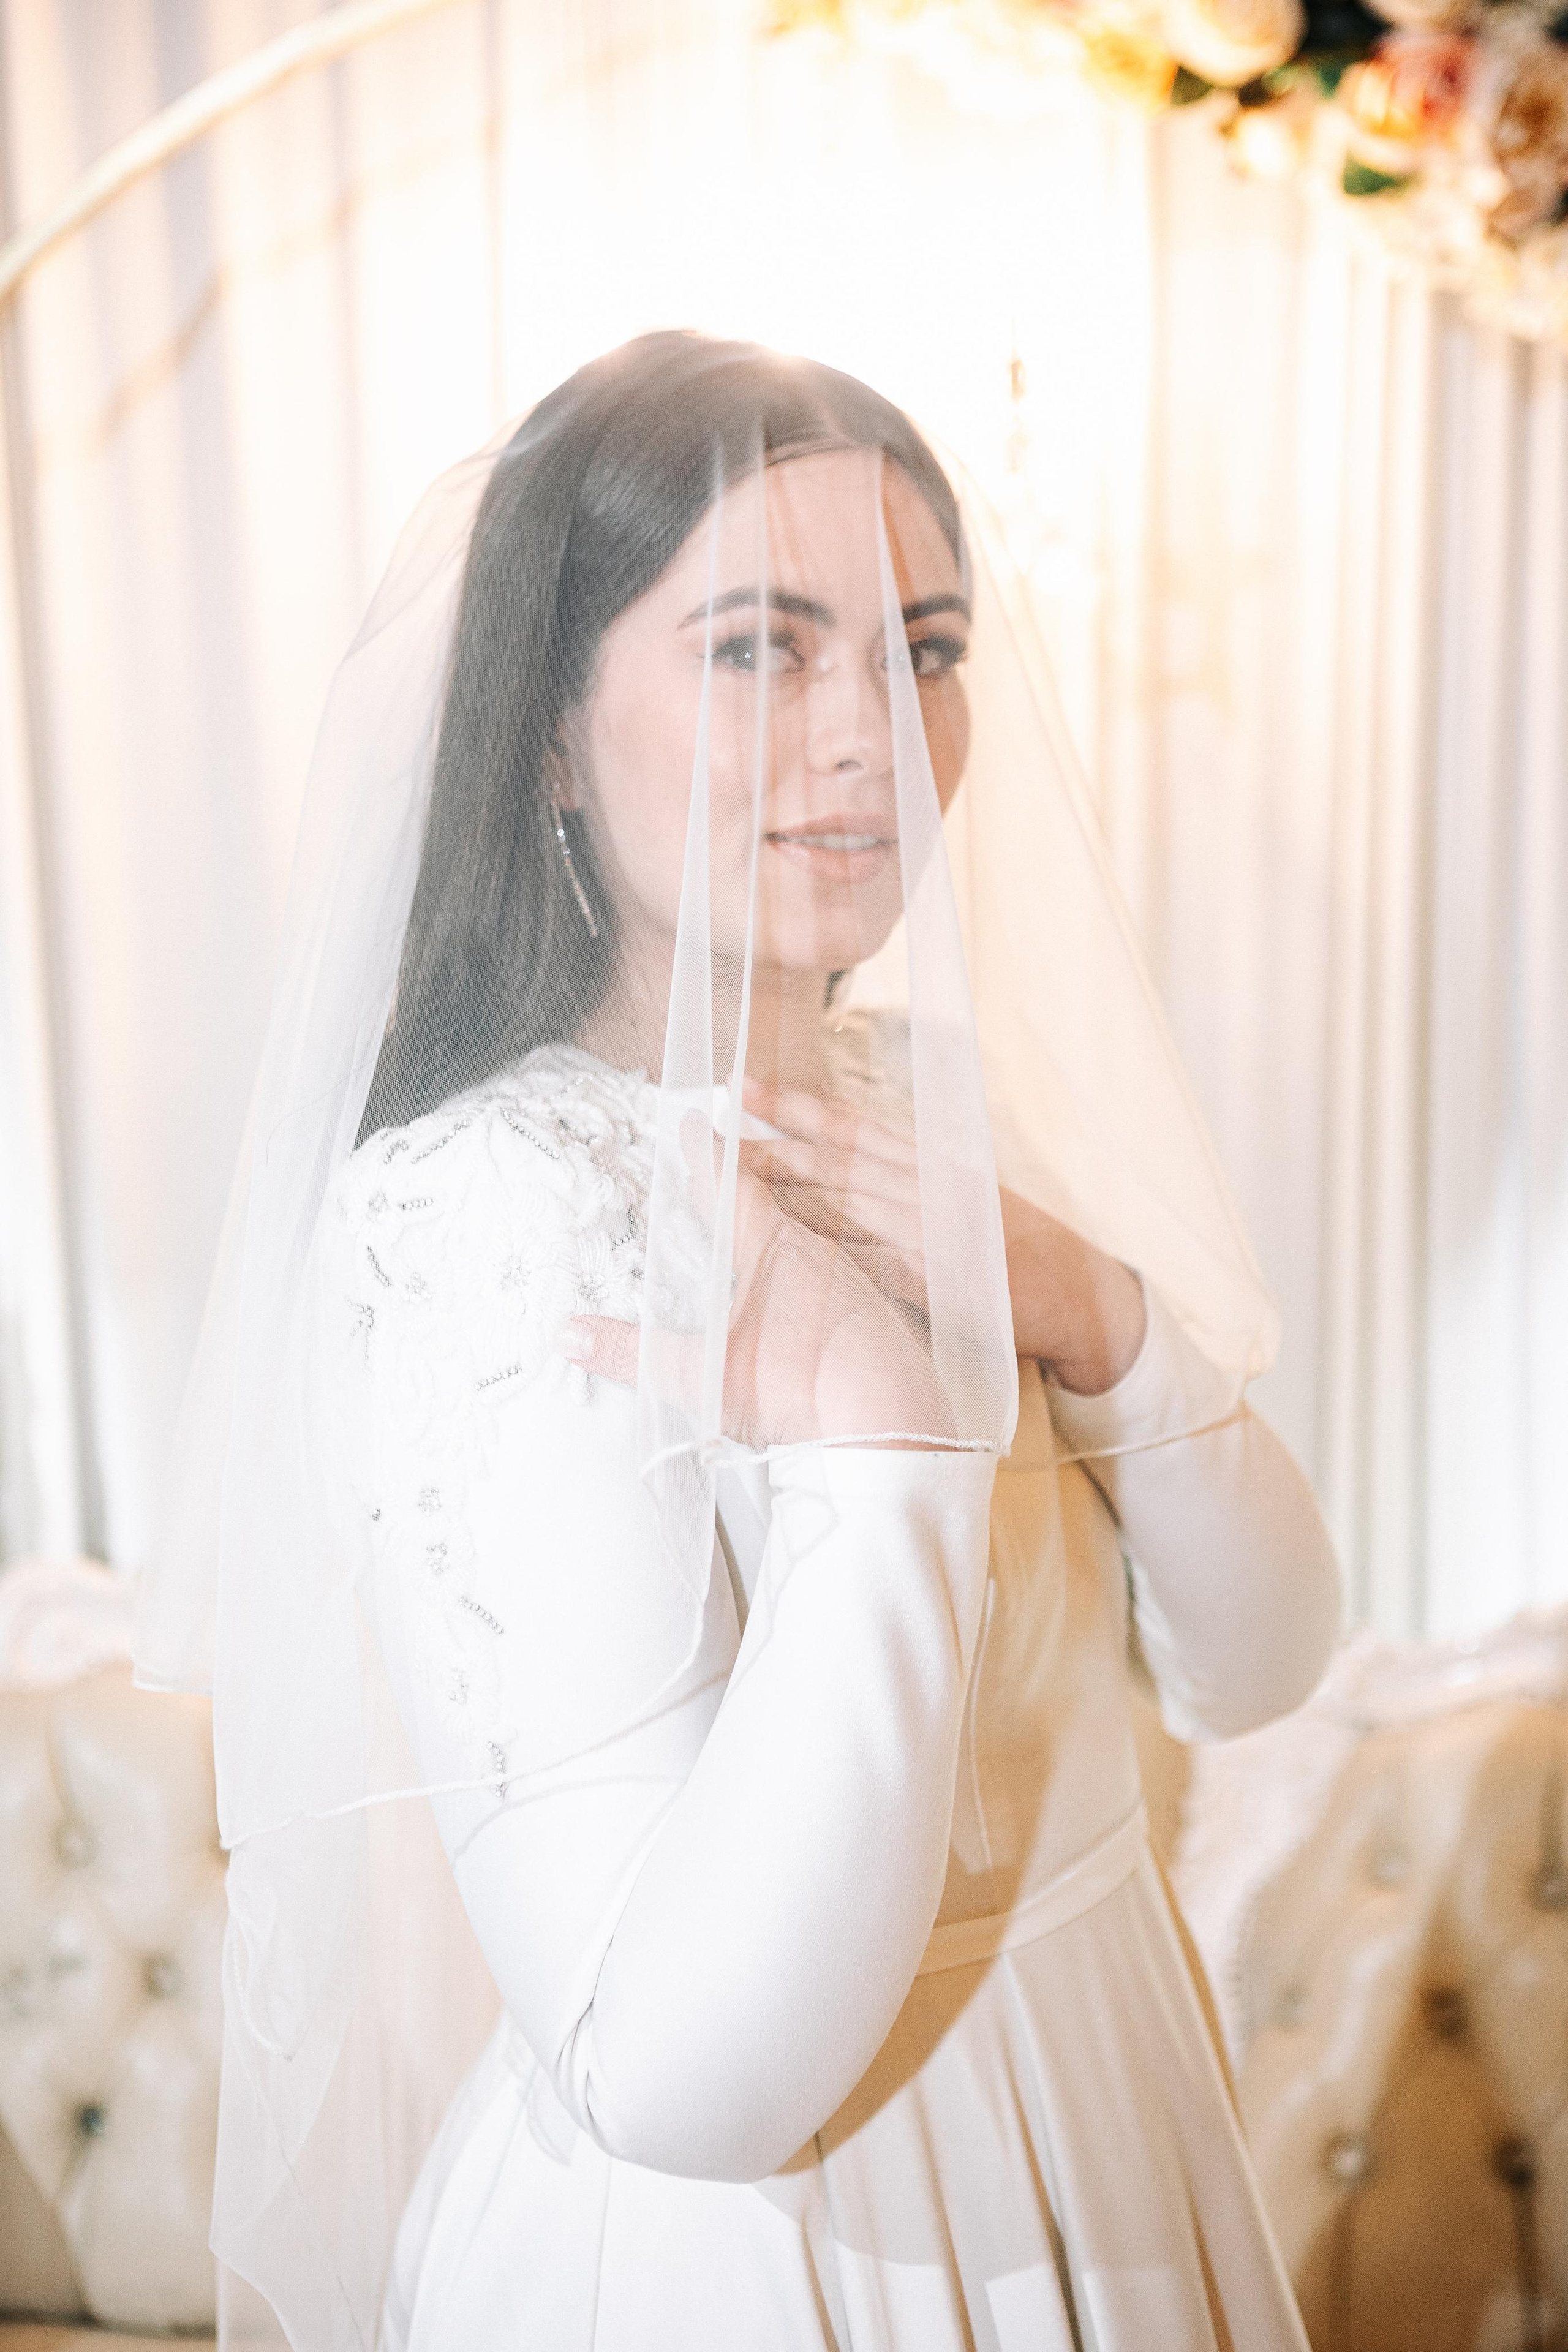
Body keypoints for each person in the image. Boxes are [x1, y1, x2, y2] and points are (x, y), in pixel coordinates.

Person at [138, 331, 1341, 2351]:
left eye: (924, 647)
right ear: (541, 727)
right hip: (787, 2256)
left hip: (1115, 2129)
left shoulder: (941, 1101)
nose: (873, 734)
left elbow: (1260, 1662)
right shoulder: (487, 1212)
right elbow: (679, 2076)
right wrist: (880, 1452)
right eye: (761, 648)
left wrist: (1099, 1319)